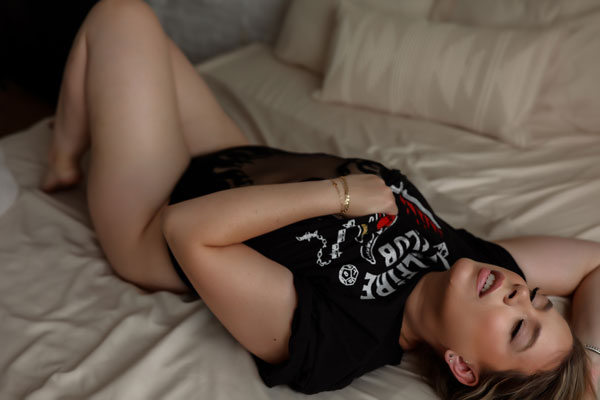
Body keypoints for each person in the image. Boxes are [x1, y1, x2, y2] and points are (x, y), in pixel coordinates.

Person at [41, 0, 600, 398]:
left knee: (121, 15)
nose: (519, 296)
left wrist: (338, 195)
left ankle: (64, 154)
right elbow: (595, 263)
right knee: (138, 40)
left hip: (157, 214)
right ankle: (68, 147)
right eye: (537, 300)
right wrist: (587, 368)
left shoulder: (344, 341)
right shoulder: (469, 264)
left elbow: (185, 230)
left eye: (519, 329)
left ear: (463, 368)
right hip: (241, 159)